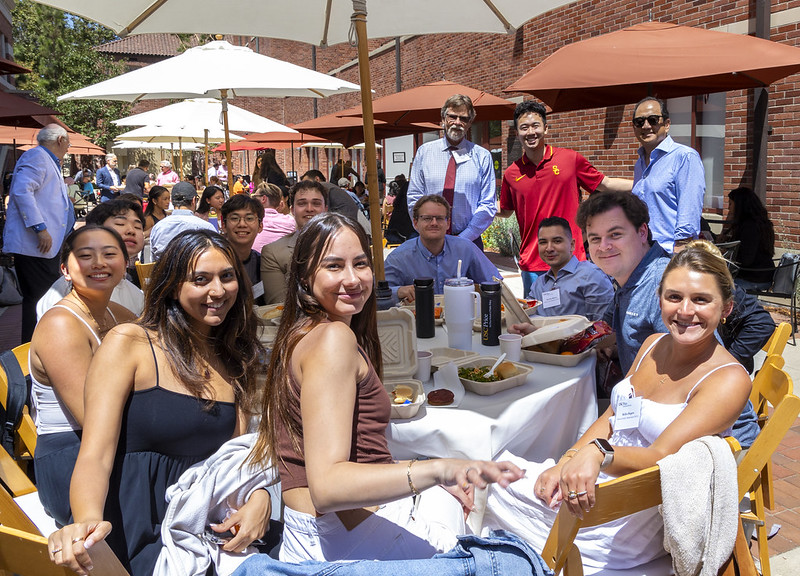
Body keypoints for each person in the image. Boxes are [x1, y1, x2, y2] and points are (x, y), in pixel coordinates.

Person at [248, 212, 524, 563]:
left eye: (360, 263)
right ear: (304, 276)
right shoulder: (333, 339)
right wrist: (439, 468)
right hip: (346, 538)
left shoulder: (306, 331)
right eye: (334, 266)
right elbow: (328, 487)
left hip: (332, 530)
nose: (352, 279)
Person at [488, 241, 751, 573]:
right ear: (660, 300)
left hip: (628, 515)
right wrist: (567, 460)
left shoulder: (727, 379)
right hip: (598, 483)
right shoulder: (654, 344)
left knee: (483, 483)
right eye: (674, 297)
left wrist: (598, 453)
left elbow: (661, 457)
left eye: (701, 300)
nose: (685, 311)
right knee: (489, 471)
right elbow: (614, 416)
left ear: (725, 308)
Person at [48, 230, 270, 576]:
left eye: (227, 276)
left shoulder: (233, 357)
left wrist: (261, 498)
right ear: (171, 285)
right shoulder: (131, 342)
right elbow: (95, 453)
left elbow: (233, 463)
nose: (217, 290)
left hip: (205, 527)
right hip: (139, 525)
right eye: (200, 279)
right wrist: (89, 521)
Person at [30, 226, 136, 527]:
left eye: (110, 254)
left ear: (125, 263)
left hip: (112, 445)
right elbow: (92, 417)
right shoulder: (61, 325)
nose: (99, 263)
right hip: (75, 456)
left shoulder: (119, 314)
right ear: (65, 269)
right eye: (85, 256)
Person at [499, 101, 632, 298]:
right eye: (524, 128)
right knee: (538, 323)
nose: (530, 132)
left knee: (578, 322)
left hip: (572, 261)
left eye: (535, 125)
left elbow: (605, 183)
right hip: (533, 265)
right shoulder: (511, 174)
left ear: (545, 127)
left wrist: (648, 184)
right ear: (517, 133)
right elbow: (505, 210)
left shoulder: (570, 160)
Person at [2, 124, 75, 342]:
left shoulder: (45, 159)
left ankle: (40, 346)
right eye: (68, 142)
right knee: (40, 298)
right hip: (37, 245)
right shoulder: (37, 157)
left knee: (45, 296)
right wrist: (40, 228)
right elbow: (22, 191)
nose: (69, 148)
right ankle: (35, 349)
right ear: (60, 140)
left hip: (44, 246)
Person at [407, 95, 495, 248]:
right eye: (452, 116)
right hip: (429, 240)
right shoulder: (424, 153)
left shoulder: (482, 156)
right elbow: (414, 197)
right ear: (443, 118)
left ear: (470, 123)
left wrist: (464, 238)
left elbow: (487, 204)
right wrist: (426, 230)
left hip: (469, 242)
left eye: (464, 118)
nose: (457, 123)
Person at [37, 199, 146, 317]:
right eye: (120, 224)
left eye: (138, 227)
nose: (131, 231)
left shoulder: (135, 294)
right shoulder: (67, 294)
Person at [385, 196, 499, 303]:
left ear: (448, 223)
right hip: (416, 321)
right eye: (427, 218)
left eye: (439, 218)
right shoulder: (399, 257)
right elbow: (378, 297)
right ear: (415, 223)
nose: (434, 223)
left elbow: (496, 283)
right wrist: (398, 291)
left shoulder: (466, 249)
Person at [631, 97, 705, 253]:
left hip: (670, 253)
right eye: (639, 122)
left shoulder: (684, 157)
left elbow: (689, 209)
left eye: (653, 120)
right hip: (642, 253)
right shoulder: (640, 164)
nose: (646, 126)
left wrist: (680, 251)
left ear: (666, 124)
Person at [528, 217, 613, 321]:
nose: (549, 248)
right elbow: (528, 318)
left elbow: (604, 327)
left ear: (572, 245)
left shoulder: (591, 276)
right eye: (543, 242)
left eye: (557, 241)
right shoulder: (538, 284)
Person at [260, 180, 328, 304]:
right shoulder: (274, 252)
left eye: (316, 204)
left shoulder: (342, 245)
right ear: (292, 210)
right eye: (302, 204)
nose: (309, 209)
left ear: (326, 209)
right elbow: (278, 305)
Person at [718, 186, 775, 291]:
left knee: (716, 286)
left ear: (740, 205)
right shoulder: (759, 223)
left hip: (753, 278)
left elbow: (746, 259)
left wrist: (726, 252)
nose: (729, 208)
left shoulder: (750, 227)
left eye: (730, 204)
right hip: (762, 275)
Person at [149, 182, 216, 260]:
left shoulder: (158, 228)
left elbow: (152, 260)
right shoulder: (206, 227)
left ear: (172, 201)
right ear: (194, 201)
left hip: (165, 271)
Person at [219, 194, 265, 304]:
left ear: (260, 226)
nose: (242, 224)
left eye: (249, 218)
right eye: (234, 218)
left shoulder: (262, 263)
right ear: (224, 225)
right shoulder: (214, 261)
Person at [251, 182, 296, 254]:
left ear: (263, 199)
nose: (252, 201)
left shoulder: (252, 220)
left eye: (255, 197)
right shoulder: (290, 220)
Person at [385, 174, 417, 245]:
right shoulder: (411, 187)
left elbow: (395, 203)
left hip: (394, 232)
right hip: (402, 234)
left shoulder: (405, 188)